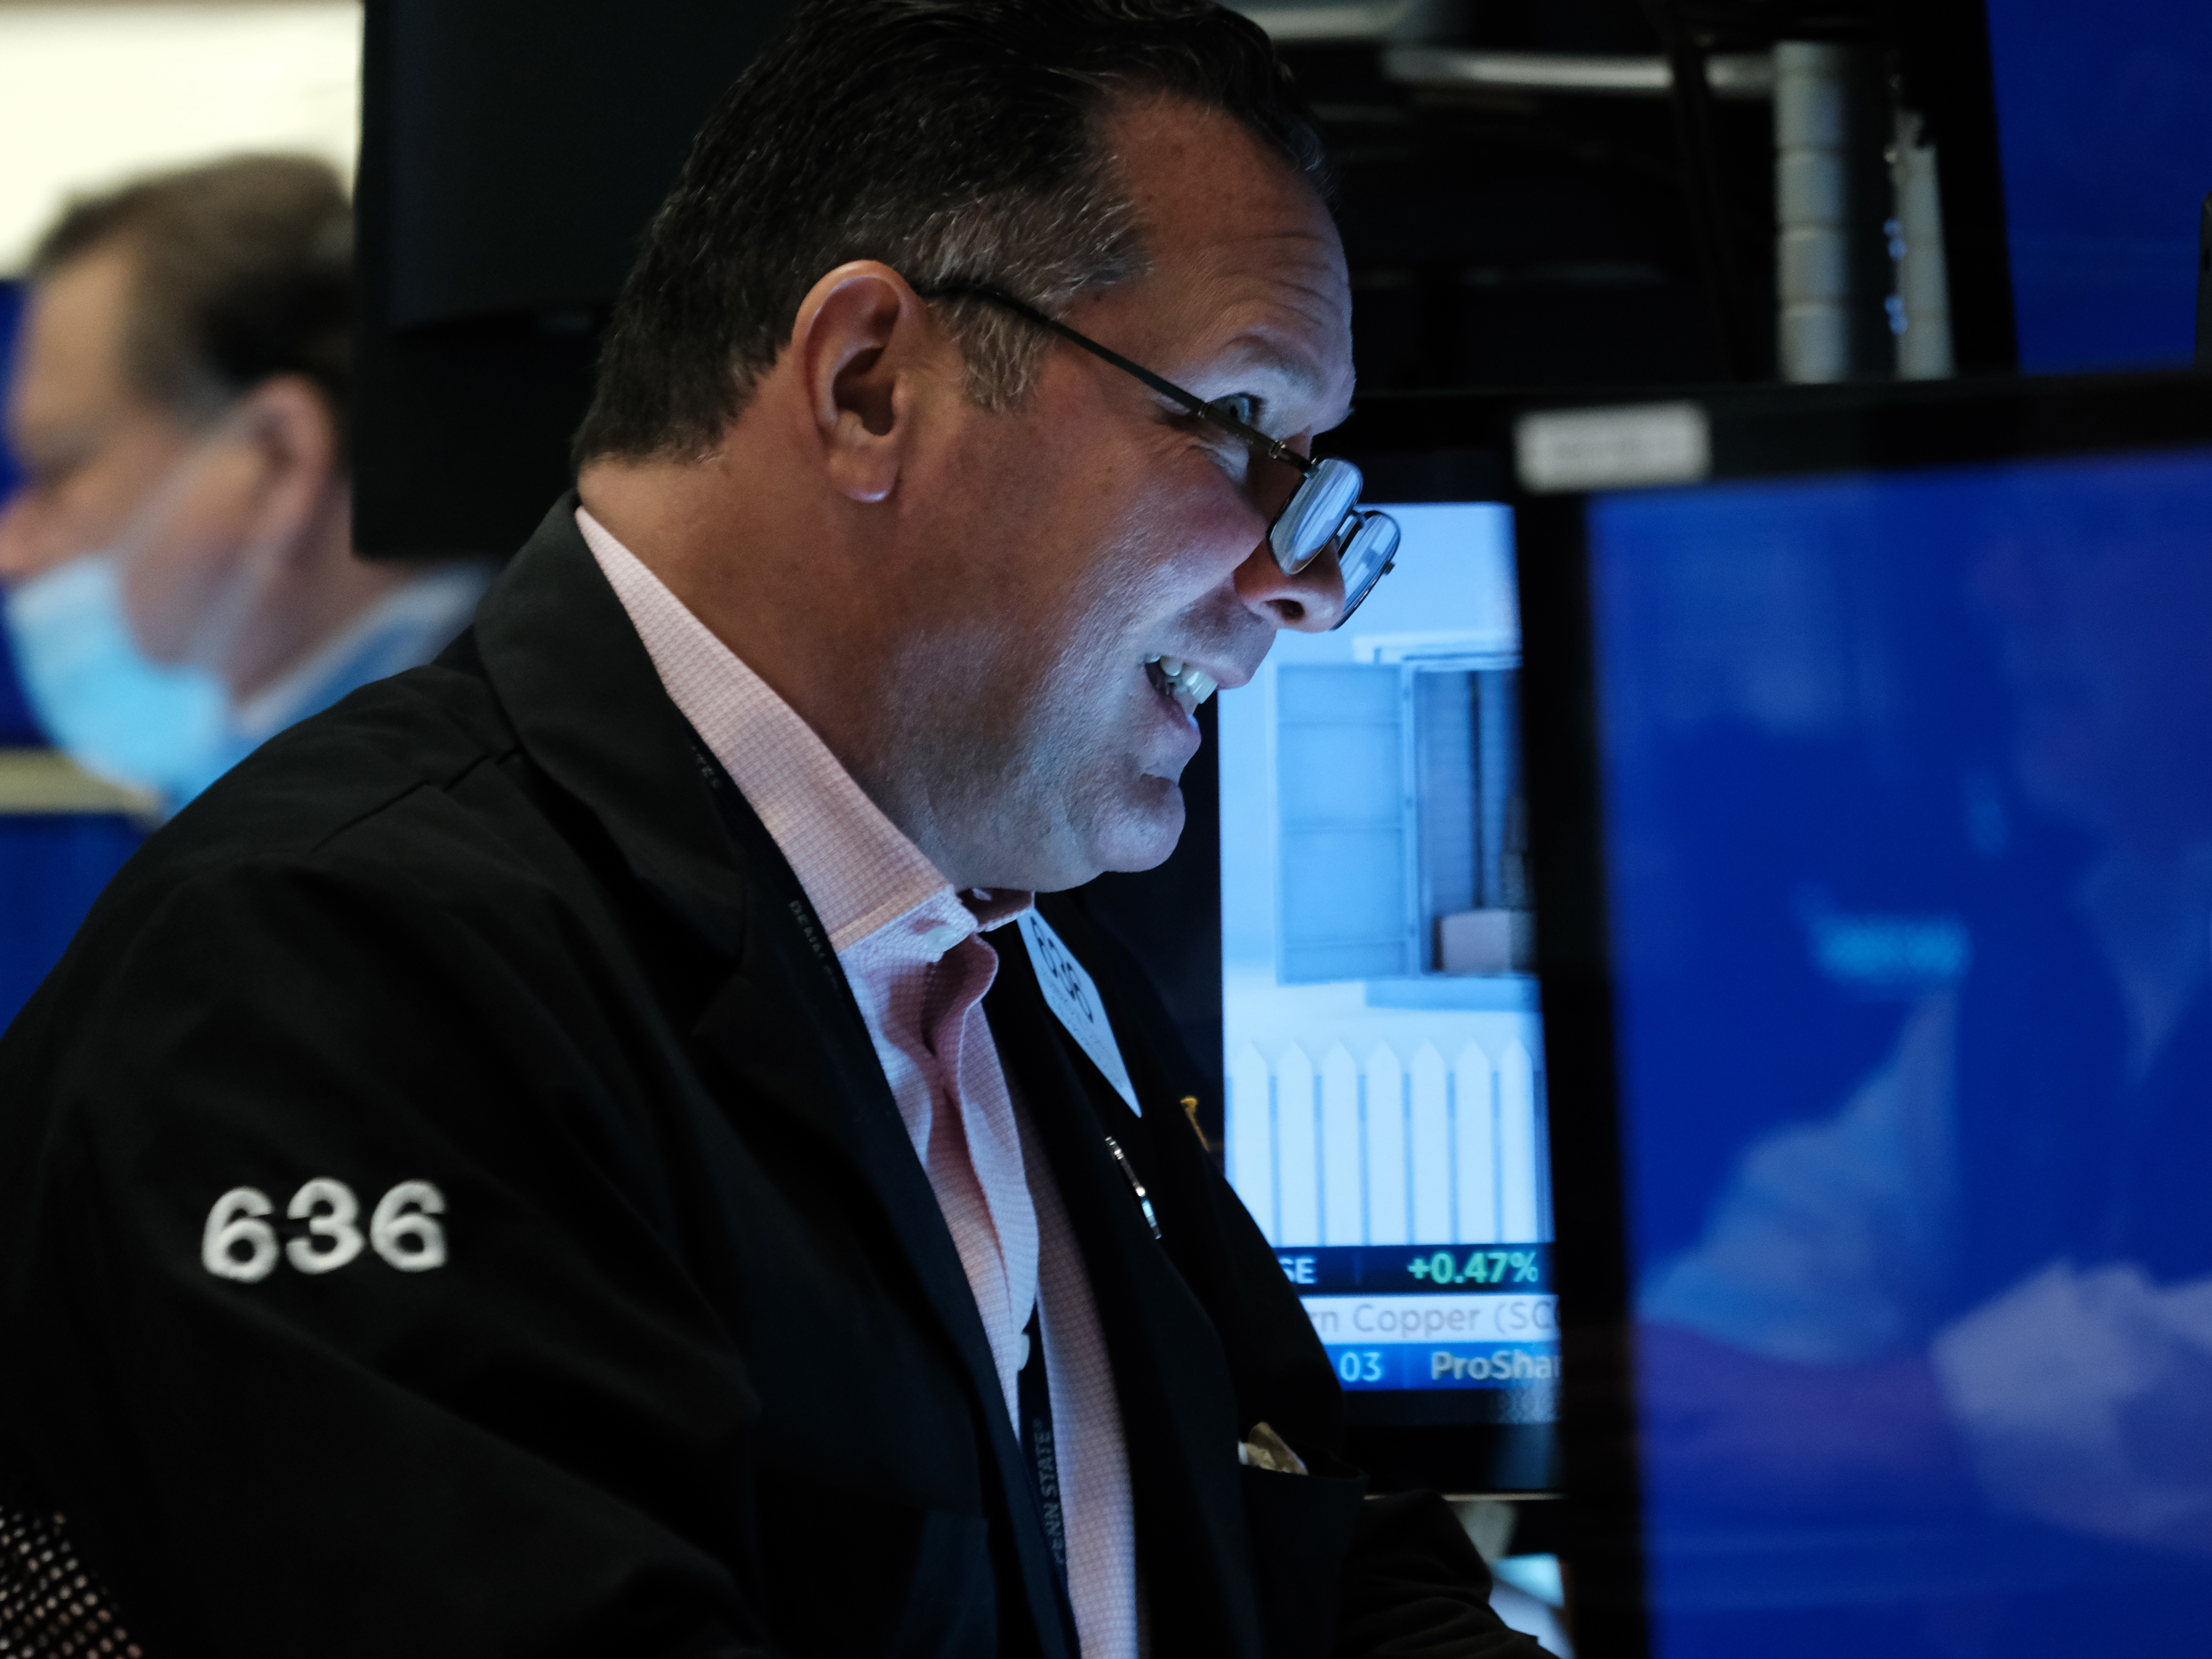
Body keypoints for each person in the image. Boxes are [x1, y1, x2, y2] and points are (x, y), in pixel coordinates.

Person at [0, 5, 1545, 1657]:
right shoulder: (323, 978)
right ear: (870, 381)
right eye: (1246, 432)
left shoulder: (1012, 969)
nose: (1304, 581)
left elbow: (1329, 1573)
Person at [1637, 466, 2212, 1640]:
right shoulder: (2075, 948)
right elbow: (1832, 1232)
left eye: (2090, 522)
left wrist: (1930, 1419)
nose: (1999, 589)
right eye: (2005, 536)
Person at [0, 155, 492, 812]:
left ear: (277, 462)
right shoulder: (301, 808)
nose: (12, 551)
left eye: (60, 470)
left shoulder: (458, 822)